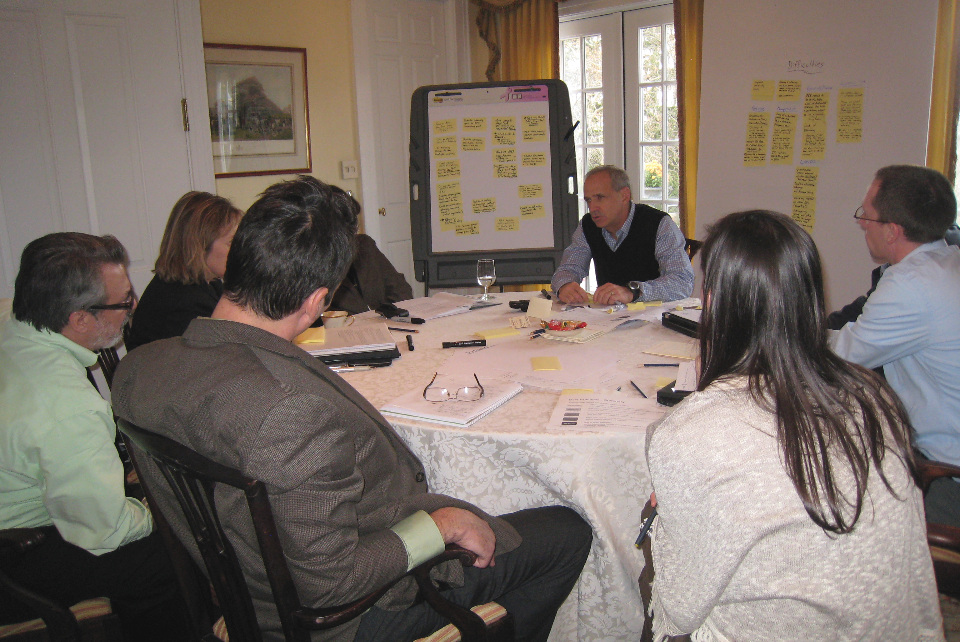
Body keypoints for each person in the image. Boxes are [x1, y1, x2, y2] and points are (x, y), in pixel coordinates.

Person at [112, 176, 592, 642]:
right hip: (343, 620)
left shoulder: (138, 370)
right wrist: (439, 525)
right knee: (568, 531)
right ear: (318, 301)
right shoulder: (291, 412)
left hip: (239, 588)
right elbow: (331, 585)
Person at [645, 211, 941, 640]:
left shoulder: (694, 430)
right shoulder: (874, 398)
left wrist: (661, 519)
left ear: (713, 302)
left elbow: (676, 612)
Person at [0, 233, 192, 640]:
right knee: (170, 552)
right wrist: (164, 509)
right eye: (124, 301)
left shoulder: (12, 330)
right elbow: (107, 533)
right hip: (12, 559)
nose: (134, 307)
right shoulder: (67, 407)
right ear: (80, 319)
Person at [831, 165, 960, 528]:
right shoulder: (947, 259)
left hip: (946, 478)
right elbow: (859, 329)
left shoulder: (911, 284)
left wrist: (784, 330)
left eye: (866, 216)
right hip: (936, 456)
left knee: (836, 512)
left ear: (893, 231)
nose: (862, 224)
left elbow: (844, 354)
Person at [550, 165, 694, 305]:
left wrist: (633, 292)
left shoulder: (659, 224)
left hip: (654, 319)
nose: (593, 208)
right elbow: (568, 268)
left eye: (600, 197)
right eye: (589, 200)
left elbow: (682, 282)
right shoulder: (588, 226)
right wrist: (565, 285)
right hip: (608, 319)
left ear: (624, 195)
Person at [125, 191, 242, 350]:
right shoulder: (185, 304)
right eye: (231, 243)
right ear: (200, 246)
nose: (239, 251)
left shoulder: (204, 283)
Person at [329, 233, 413, 315]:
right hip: (352, 326)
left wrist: (389, 312)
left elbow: (400, 287)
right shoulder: (322, 268)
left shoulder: (364, 245)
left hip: (390, 321)